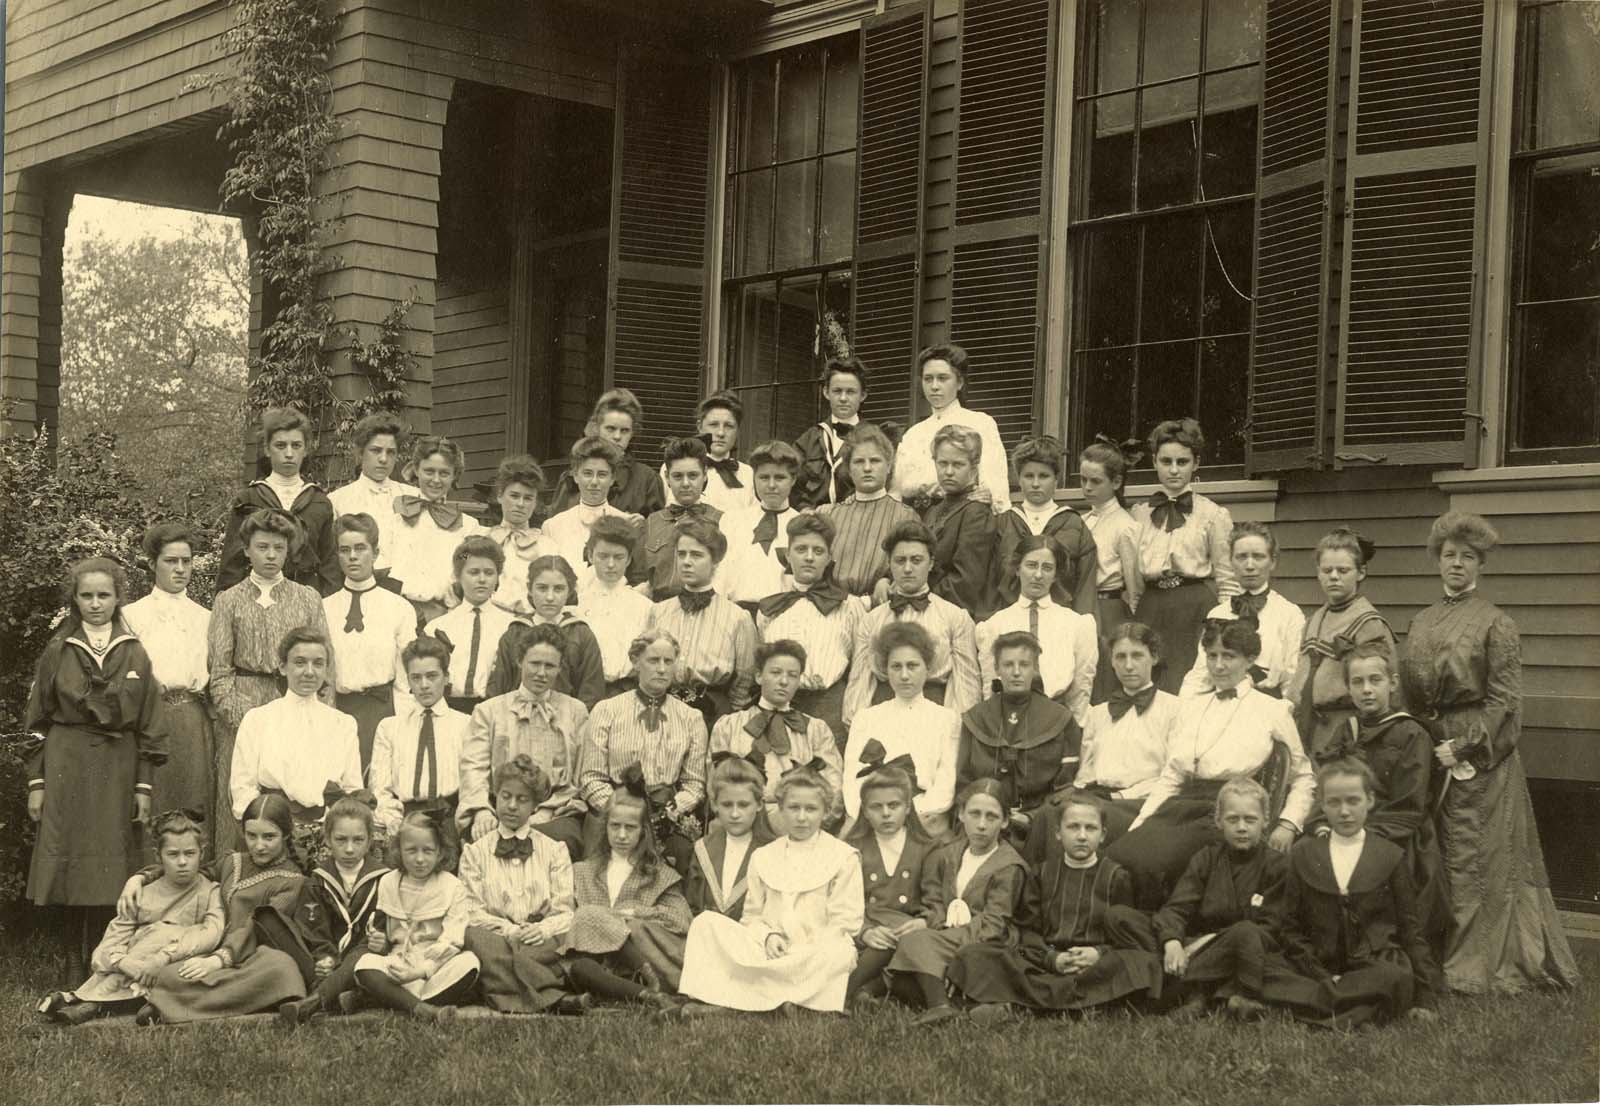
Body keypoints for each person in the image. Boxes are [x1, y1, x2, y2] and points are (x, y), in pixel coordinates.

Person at [1400, 511, 1580, 993]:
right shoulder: (1422, 620)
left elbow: (1507, 704)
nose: (1456, 564)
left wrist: (1464, 746)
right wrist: (1424, 740)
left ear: (1481, 564)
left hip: (1480, 754)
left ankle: (1476, 965)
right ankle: (1435, 954)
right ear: (1437, 560)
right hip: (1431, 745)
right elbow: (1410, 691)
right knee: (1436, 853)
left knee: (1475, 858)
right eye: (1449, 555)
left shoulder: (1496, 623)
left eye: (1468, 557)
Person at [25, 556, 168, 981]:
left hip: (118, 767)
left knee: (110, 862)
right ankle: (72, 956)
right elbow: (36, 722)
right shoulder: (58, 651)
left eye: (103, 595)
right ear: (74, 599)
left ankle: (103, 957)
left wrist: (143, 786)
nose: (95, 603)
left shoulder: (135, 651)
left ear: (118, 598)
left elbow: (149, 725)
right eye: (86, 595)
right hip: (67, 762)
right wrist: (37, 783)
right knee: (71, 861)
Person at [1109, 619, 1313, 907]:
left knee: (1150, 862)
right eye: (1212, 656)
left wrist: (1289, 823)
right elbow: (1172, 775)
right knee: (1119, 852)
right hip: (1180, 806)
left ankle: (1159, 930)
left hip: (1225, 810)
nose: (1218, 665)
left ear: (1250, 659)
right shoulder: (1192, 707)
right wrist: (1142, 822)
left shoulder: (1271, 710)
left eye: (1229, 656)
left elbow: (1303, 776)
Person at [1257, 759, 1440, 1027]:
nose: (1344, 812)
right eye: (1334, 802)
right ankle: (1357, 1011)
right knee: (1268, 970)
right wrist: (1321, 974)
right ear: (1322, 804)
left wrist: (1425, 997)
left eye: (1353, 801)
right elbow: (1290, 927)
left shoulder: (1390, 855)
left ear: (1370, 800)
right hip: (1316, 964)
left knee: (1395, 976)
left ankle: (1322, 1009)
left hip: (1372, 965)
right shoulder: (1303, 854)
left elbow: (1411, 930)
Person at [948, 791, 1160, 1020]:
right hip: (1045, 964)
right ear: (1058, 833)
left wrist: (1097, 953)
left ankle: (1023, 1007)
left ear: (1102, 835)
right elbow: (1028, 930)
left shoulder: (1116, 876)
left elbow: (1125, 935)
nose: (1081, 836)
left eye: (1090, 828)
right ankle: (1088, 1007)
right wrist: (1053, 959)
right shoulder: (1042, 874)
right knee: (974, 954)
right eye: (1073, 827)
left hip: (1095, 968)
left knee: (1143, 964)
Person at [678, 766, 863, 1015]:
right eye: (793, 808)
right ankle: (791, 1000)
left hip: (814, 952)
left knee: (839, 952)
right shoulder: (764, 856)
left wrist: (806, 947)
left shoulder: (843, 856)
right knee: (706, 924)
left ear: (825, 811)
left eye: (811, 809)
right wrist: (767, 937)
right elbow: (752, 917)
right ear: (780, 809)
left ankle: (738, 1002)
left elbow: (846, 922)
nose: (801, 817)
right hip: (769, 951)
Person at [208, 508, 335, 853]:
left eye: (278, 548)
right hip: (242, 701)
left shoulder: (307, 598)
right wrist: (240, 715)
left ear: (288, 550)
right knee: (241, 791)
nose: (270, 555)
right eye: (262, 547)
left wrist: (319, 714)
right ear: (246, 550)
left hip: (295, 701)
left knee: (293, 787)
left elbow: (325, 663)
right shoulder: (228, 600)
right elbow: (219, 670)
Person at [1306, 641, 1445, 945]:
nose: (1366, 689)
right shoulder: (1346, 730)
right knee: (1305, 856)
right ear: (1349, 688)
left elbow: (1409, 806)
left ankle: (1376, 946)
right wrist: (1320, 823)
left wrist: (1360, 833)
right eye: (1357, 682)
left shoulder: (1411, 733)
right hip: (1344, 820)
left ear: (1392, 684)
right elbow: (1327, 788)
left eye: (1375, 680)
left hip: (1396, 831)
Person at [136, 794, 319, 1024]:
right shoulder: (233, 862)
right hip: (211, 945)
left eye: (269, 837)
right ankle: (241, 1000)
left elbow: (257, 926)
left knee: (281, 970)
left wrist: (219, 960)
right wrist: (142, 878)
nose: (259, 845)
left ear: (286, 835)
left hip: (254, 955)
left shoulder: (292, 881)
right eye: (252, 836)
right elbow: (193, 871)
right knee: (170, 972)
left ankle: (169, 1004)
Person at [38, 810, 221, 1025]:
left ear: (202, 852)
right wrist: (125, 962)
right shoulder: (141, 893)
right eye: (173, 854)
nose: (182, 862)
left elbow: (212, 933)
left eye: (190, 854)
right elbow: (107, 947)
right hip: (137, 966)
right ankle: (88, 1004)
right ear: (158, 856)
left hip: (177, 962)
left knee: (165, 935)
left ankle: (83, 1002)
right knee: (125, 957)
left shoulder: (210, 891)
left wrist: (162, 957)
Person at [887, 779, 1032, 1025]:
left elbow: (994, 923)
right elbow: (934, 901)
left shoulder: (1008, 865)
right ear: (961, 814)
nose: (982, 825)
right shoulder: (948, 854)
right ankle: (964, 1004)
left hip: (984, 941)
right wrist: (931, 922)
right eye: (974, 814)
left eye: (991, 816)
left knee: (915, 943)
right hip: (946, 935)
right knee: (903, 972)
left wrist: (953, 950)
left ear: (1005, 821)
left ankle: (940, 1004)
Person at [1150, 777, 1289, 1019]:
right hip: (1203, 949)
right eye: (1233, 819)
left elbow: (1272, 926)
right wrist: (1172, 941)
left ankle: (1208, 993)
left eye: (1250, 819)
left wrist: (1212, 940)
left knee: (1246, 933)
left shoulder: (1277, 865)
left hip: (1251, 953)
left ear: (1265, 821)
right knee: (1125, 919)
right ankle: (1216, 994)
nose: (1242, 827)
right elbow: (1178, 907)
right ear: (1218, 821)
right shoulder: (1207, 858)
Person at [458, 756, 585, 1016]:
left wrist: (541, 929)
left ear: (536, 805)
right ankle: (552, 997)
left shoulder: (554, 850)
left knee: (562, 938)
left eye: (522, 799)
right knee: (474, 937)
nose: (512, 806)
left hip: (540, 938)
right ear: (495, 797)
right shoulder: (475, 852)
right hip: (497, 937)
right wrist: (509, 931)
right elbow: (470, 910)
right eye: (506, 796)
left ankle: (507, 996)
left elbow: (565, 910)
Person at [578, 629, 710, 872]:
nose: (661, 669)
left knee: (681, 859)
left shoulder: (691, 718)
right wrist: (623, 811)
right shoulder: (607, 710)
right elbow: (591, 778)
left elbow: (694, 785)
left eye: (668, 661)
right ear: (636, 662)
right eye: (653, 660)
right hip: (613, 813)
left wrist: (671, 809)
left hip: (667, 816)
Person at [561, 765, 691, 1007]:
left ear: (643, 832)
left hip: (639, 960)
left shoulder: (659, 875)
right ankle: (650, 996)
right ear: (605, 827)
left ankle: (646, 981)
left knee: (591, 914)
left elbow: (682, 920)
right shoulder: (582, 871)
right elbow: (566, 917)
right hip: (596, 964)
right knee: (578, 961)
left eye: (630, 828)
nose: (621, 835)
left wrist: (634, 912)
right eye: (615, 826)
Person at [228, 627, 363, 860]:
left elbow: (352, 789)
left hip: (325, 836)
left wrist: (327, 833)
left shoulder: (343, 723)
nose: (309, 672)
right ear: (283, 667)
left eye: (318, 663)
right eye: (299, 662)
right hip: (272, 835)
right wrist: (269, 832)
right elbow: (242, 788)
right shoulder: (258, 719)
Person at [458, 624, 591, 858]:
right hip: (500, 807)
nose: (541, 673)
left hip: (556, 812)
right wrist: (481, 811)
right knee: (484, 842)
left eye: (550, 666)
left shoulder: (575, 711)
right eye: (535, 663)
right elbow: (473, 768)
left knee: (560, 840)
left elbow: (580, 775)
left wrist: (548, 812)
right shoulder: (489, 711)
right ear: (520, 661)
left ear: (559, 668)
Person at [122, 522, 214, 852]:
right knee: (152, 805)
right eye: (170, 561)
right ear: (152, 564)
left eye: (186, 561)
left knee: (192, 803)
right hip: (149, 722)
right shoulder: (131, 616)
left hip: (191, 719)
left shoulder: (206, 617)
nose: (180, 569)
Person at [1130, 419, 1237, 694]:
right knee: (1148, 684)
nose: (1174, 470)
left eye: (1182, 461)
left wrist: (1224, 626)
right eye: (1166, 461)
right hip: (1151, 606)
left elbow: (1227, 578)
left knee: (1188, 685)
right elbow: (1134, 579)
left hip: (1194, 608)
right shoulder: (1139, 515)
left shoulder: (1213, 515)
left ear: (1196, 463)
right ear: (1154, 461)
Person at [843, 521, 982, 724]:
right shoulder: (871, 620)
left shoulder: (955, 617)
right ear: (889, 563)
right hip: (883, 715)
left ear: (931, 563)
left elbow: (966, 684)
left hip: (935, 715)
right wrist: (857, 726)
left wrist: (956, 731)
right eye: (900, 560)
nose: (908, 568)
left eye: (916, 560)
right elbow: (859, 681)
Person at [353, 811, 480, 1020]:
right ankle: (425, 1010)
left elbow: (452, 939)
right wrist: (380, 944)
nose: (420, 859)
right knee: (365, 964)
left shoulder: (452, 886)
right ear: (399, 851)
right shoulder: (388, 882)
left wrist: (420, 971)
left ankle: (394, 1000)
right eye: (411, 850)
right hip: (397, 964)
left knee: (469, 963)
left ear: (440, 852)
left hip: (434, 967)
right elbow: (383, 934)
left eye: (428, 851)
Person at [1285, 527, 1397, 762]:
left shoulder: (1369, 623)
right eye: (1327, 570)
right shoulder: (1313, 620)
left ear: (1361, 572)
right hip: (1306, 728)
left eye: (1343, 570)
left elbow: (1387, 691)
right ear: (1318, 573)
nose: (1334, 576)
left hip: (1346, 731)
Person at [841, 623, 963, 839]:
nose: (904, 675)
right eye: (896, 667)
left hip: (926, 817)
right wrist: (871, 812)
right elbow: (852, 777)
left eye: (912, 666)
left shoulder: (946, 718)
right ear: (886, 670)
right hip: (873, 815)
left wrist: (913, 814)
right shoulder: (866, 718)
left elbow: (946, 781)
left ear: (927, 668)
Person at [277, 796, 393, 1024]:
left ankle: (311, 1003)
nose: (349, 849)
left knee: (367, 951)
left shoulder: (385, 880)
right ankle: (350, 996)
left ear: (370, 841)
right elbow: (313, 928)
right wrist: (325, 958)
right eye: (341, 839)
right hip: (331, 962)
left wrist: (385, 941)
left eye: (358, 840)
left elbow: (389, 926)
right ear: (328, 839)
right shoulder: (317, 881)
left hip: (370, 959)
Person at [754, 513, 868, 744]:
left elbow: (861, 667)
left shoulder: (850, 606)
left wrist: (853, 711)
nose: (809, 557)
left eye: (818, 551)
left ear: (829, 558)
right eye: (801, 549)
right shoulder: (769, 609)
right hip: (779, 706)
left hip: (830, 707)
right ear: (787, 555)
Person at [709, 640, 845, 833]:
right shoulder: (728, 726)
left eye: (792, 675)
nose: (783, 681)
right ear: (758, 676)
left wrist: (807, 826)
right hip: (742, 827)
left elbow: (834, 789)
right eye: (775, 672)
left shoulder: (817, 730)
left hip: (802, 827)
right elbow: (716, 786)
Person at [957, 632, 1078, 840]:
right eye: (1008, 665)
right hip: (983, 823)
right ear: (996, 669)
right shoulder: (976, 718)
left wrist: (1032, 818)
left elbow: (1065, 789)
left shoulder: (1061, 719)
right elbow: (963, 781)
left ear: (1035, 667)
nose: (1016, 672)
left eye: (1024, 664)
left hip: (1042, 824)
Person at [1070, 622, 1182, 843]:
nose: (1128, 665)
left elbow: (1174, 774)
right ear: (1111, 661)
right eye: (1120, 657)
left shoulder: (1176, 709)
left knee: (1086, 822)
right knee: (1049, 816)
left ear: (1154, 657)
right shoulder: (1098, 713)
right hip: (1099, 798)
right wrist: (1079, 793)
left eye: (1137, 656)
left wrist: (1121, 796)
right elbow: (1087, 769)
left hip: (1143, 803)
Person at [324, 513, 415, 769]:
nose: (352, 556)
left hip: (382, 714)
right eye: (345, 550)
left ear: (375, 553)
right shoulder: (323, 608)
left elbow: (405, 677)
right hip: (337, 712)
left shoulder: (399, 608)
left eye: (360, 548)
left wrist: (402, 726)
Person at [643, 519, 758, 722]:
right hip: (663, 712)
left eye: (696, 555)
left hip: (714, 714)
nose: (686, 562)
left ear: (715, 560)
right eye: (681, 554)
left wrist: (729, 722)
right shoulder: (658, 612)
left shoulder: (737, 617)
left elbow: (744, 680)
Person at [216, 407, 339, 596]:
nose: (289, 454)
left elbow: (330, 565)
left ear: (305, 450)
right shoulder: (249, 498)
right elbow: (232, 563)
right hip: (257, 598)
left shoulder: (319, 501)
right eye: (280, 446)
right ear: (267, 449)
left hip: (306, 599)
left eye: (296, 446)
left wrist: (330, 608)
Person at [976, 535, 1098, 723]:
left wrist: (1073, 729)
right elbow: (990, 687)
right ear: (1017, 569)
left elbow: (1082, 686)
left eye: (1047, 568)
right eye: (1031, 565)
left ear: (1056, 574)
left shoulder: (1076, 624)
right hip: (1011, 722)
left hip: (1059, 720)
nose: (1038, 575)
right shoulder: (995, 625)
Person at [844, 762, 934, 1008]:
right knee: (881, 948)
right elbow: (844, 902)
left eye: (893, 805)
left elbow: (935, 899)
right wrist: (866, 931)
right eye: (876, 807)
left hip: (909, 932)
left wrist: (923, 921)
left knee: (910, 952)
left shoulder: (926, 847)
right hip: (868, 933)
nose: (885, 813)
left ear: (907, 807)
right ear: (864, 810)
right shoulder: (852, 848)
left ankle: (861, 992)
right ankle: (852, 992)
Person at [1177, 523, 1302, 699]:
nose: (1249, 565)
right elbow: (1201, 675)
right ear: (1231, 561)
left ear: (1272, 562)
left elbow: (1292, 678)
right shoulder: (1218, 614)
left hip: (1267, 708)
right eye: (1241, 557)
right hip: (1223, 708)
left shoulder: (1289, 614)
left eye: (1258, 557)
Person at [370, 637, 468, 845]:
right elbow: (379, 789)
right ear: (408, 680)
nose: (424, 685)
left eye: (432, 676)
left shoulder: (466, 725)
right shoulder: (389, 727)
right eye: (416, 678)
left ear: (446, 677)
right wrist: (393, 821)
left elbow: (474, 783)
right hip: (406, 822)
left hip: (451, 822)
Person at [890, 344, 1009, 513]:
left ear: (959, 382)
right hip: (914, 517)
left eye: (943, 378)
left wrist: (990, 498)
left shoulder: (981, 423)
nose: (934, 386)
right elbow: (898, 489)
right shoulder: (913, 434)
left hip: (959, 516)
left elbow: (996, 489)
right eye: (928, 379)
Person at [991, 435, 1098, 615]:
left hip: (1060, 621)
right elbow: (990, 583)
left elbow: (1085, 586)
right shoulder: (1004, 522)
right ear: (1018, 478)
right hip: (1010, 618)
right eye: (1028, 476)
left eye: (1044, 476)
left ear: (1056, 479)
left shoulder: (1073, 524)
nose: (1035, 484)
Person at [485, 554, 607, 708]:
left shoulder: (581, 634)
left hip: (565, 722)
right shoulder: (516, 632)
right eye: (542, 588)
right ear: (529, 589)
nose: (550, 597)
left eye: (558, 589)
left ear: (570, 591)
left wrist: (574, 722)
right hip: (516, 719)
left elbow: (591, 691)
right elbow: (498, 688)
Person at [388, 435, 483, 626]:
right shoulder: (396, 518)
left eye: (444, 473)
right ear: (416, 470)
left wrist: (449, 599)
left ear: (455, 475)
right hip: (398, 613)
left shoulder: (467, 527)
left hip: (447, 614)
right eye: (429, 471)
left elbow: (465, 565)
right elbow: (383, 561)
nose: (436, 480)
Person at [815, 423, 918, 596]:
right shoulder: (828, 515)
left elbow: (911, 564)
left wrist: (888, 579)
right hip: (831, 605)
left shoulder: (905, 517)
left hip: (880, 607)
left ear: (889, 467)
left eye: (875, 460)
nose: (867, 468)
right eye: (859, 461)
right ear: (848, 469)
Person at [1079, 438, 1144, 702]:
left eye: (1096, 481)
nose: (1087, 487)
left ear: (1116, 483)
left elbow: (1134, 586)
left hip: (1109, 610)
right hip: (1083, 607)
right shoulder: (1082, 521)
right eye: (1083, 480)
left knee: (1105, 680)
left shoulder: (1124, 526)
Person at [424, 535, 517, 715]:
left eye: (489, 573)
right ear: (458, 576)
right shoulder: (439, 626)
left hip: (494, 711)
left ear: (498, 577)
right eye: (473, 572)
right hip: (448, 710)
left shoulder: (510, 626)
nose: (482, 579)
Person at [547, 388, 667, 519]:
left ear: (633, 433)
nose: (617, 436)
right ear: (597, 428)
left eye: (625, 430)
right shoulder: (571, 478)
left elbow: (657, 532)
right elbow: (555, 528)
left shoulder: (647, 480)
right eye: (611, 428)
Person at [683, 755, 776, 921]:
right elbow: (692, 907)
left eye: (743, 805)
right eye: (727, 805)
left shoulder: (773, 850)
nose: (734, 814)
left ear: (759, 804)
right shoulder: (703, 849)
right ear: (715, 805)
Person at [920, 424, 997, 618]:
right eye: (942, 463)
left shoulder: (976, 512)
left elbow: (966, 581)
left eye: (958, 464)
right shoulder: (934, 510)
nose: (948, 471)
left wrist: (920, 600)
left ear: (974, 466)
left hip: (950, 614)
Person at [329, 412, 416, 580]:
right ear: (361, 453)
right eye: (376, 451)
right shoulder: (338, 500)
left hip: (408, 590)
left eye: (390, 452)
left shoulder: (412, 496)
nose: (383, 459)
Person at [573, 516, 654, 698]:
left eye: (618, 557)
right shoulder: (577, 603)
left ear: (629, 559)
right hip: (583, 692)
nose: (611, 564)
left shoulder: (644, 607)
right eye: (603, 556)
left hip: (628, 692)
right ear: (590, 555)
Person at [716, 439, 802, 608]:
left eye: (780, 478)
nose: (771, 485)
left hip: (782, 616)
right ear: (754, 478)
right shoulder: (733, 521)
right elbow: (720, 576)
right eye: (763, 477)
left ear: (793, 479)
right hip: (736, 613)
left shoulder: (801, 526)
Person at [543, 436, 642, 575]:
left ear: (612, 478)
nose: (594, 481)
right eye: (587, 473)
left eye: (602, 474)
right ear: (576, 475)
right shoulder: (553, 526)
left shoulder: (626, 523)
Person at [641, 436, 723, 600]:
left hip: (705, 607)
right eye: (678, 476)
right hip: (659, 610)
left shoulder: (721, 521)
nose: (685, 483)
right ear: (667, 477)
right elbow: (642, 578)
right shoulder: (652, 521)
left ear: (705, 475)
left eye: (693, 475)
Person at [792, 356, 868, 509]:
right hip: (815, 523)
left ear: (863, 395)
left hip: (857, 521)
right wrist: (804, 509)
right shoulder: (808, 439)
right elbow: (791, 482)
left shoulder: (873, 439)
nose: (843, 398)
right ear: (826, 392)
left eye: (851, 392)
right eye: (837, 391)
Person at [661, 391, 755, 514]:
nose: (721, 433)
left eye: (729, 426)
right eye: (713, 424)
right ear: (700, 427)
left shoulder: (747, 474)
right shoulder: (675, 468)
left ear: (737, 431)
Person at [486, 454, 556, 616]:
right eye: (514, 496)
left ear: (535, 503)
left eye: (528, 498)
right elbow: (460, 562)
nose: (520, 504)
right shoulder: (481, 538)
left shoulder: (548, 546)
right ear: (500, 495)